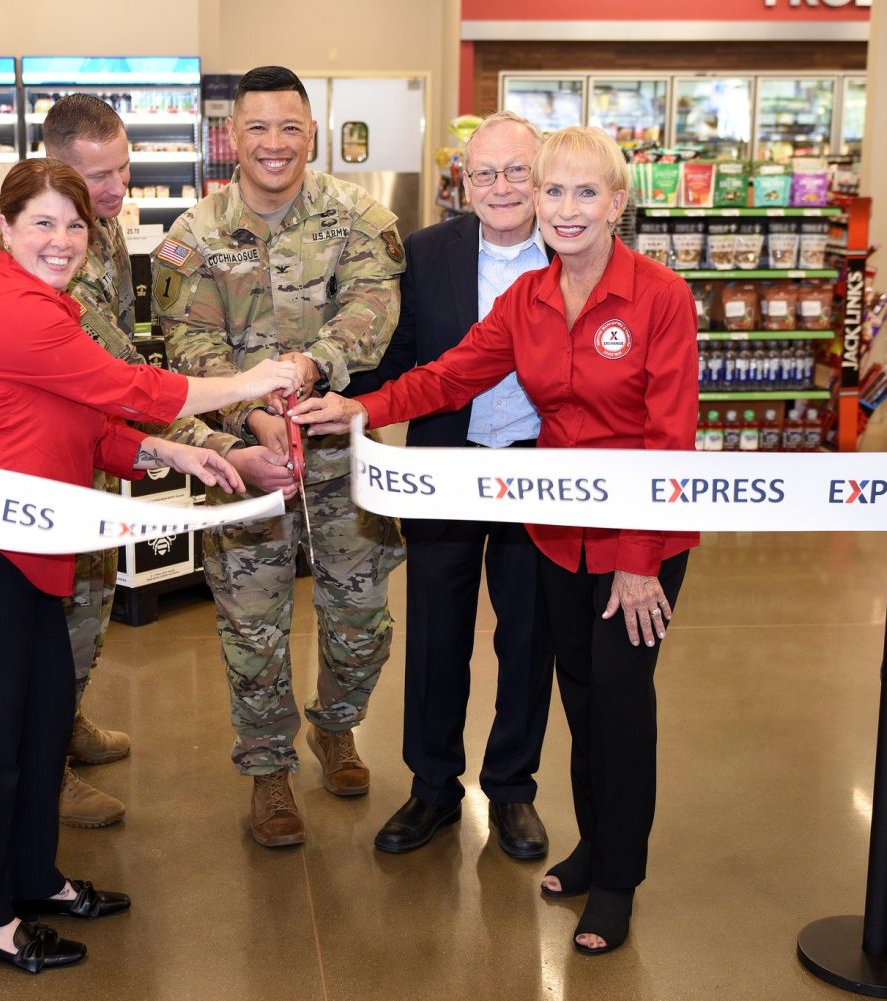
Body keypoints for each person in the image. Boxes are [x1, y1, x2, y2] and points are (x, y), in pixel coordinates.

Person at [292, 126, 698, 956]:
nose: (567, 207)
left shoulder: (659, 296)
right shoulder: (530, 299)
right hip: (554, 534)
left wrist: (636, 560)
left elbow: (670, 438)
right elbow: (450, 374)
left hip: (634, 544)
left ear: (618, 203)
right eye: (556, 192)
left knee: (620, 705)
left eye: (587, 192)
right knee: (580, 699)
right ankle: (592, 846)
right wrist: (365, 408)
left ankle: (618, 880)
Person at [0, 157, 298, 974]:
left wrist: (175, 458)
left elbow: (93, 421)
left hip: (30, 547)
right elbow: (129, 384)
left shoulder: (50, 306)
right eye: (42, 222)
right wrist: (250, 381)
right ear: (5, 231)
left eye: (74, 225)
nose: (62, 239)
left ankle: (33, 880)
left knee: (42, 725)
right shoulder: (11, 307)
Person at [152, 65, 406, 848]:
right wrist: (250, 413)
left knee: (360, 616)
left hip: (339, 451)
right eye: (257, 127)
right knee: (253, 623)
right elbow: (185, 343)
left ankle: (336, 726)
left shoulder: (358, 216)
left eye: (289, 127)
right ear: (232, 135)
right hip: (246, 462)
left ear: (312, 135)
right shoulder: (195, 235)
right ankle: (268, 769)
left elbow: (374, 309)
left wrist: (310, 366)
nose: (273, 143)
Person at [42, 94, 295, 829]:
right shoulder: (52, 249)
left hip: (98, 444)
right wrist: (221, 444)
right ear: (55, 170)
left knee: (91, 600)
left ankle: (71, 717)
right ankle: (46, 765)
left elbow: (129, 339)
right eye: (98, 178)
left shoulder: (108, 229)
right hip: (47, 461)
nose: (118, 189)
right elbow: (123, 375)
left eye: (124, 168)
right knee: (57, 616)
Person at [345, 111, 554, 861]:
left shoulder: (576, 252)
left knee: (530, 636)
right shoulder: (426, 253)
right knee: (436, 635)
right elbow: (396, 357)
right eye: (484, 173)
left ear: (543, 176)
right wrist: (332, 387)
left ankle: (513, 790)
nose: (500, 188)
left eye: (516, 171)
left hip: (540, 472)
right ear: (463, 181)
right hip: (445, 467)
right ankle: (432, 786)